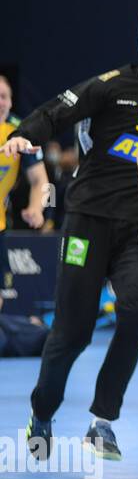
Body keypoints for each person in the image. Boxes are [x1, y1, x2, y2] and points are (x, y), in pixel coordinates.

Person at [2, 4, 138, 461]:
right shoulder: (110, 87)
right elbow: (55, 112)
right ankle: (42, 413)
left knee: (134, 316)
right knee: (73, 332)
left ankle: (102, 422)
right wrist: (24, 135)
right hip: (89, 219)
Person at [0, 75, 51, 312]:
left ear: (11, 102)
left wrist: (37, 208)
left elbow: (41, 181)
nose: (0, 102)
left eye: (3, 97)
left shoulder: (20, 133)